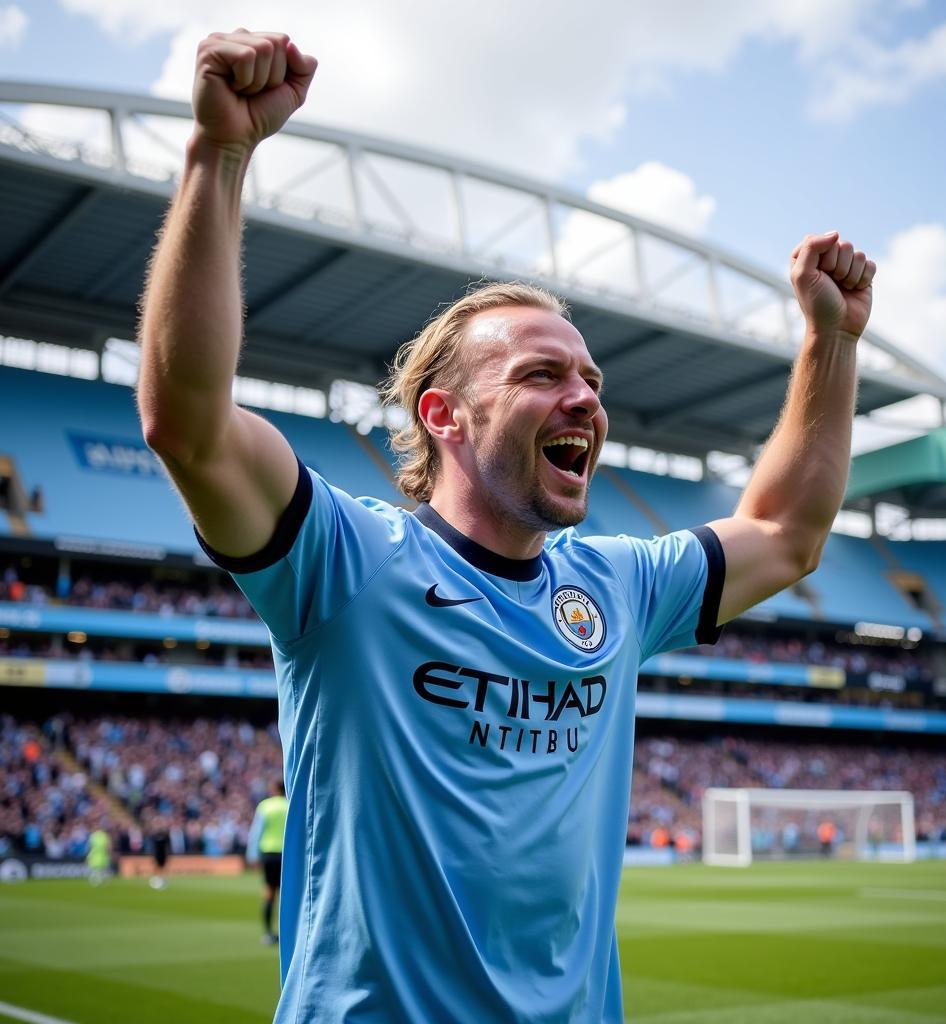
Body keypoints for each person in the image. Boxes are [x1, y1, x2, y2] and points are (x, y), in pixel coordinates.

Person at [137, 28, 876, 1023]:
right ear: (442, 415)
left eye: (590, 380)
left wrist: (829, 343)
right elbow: (188, 422)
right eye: (541, 375)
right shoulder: (346, 561)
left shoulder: (616, 586)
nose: (584, 399)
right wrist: (217, 156)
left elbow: (787, 531)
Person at [246, 780, 288, 946]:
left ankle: (268, 933)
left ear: (273, 789)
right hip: (286, 854)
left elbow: (256, 832)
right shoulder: (289, 804)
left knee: (269, 893)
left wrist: (252, 855)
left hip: (269, 853)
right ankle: (287, 933)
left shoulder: (265, 806)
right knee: (286, 895)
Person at [148, 815, 171, 890]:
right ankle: (156, 880)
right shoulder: (154, 834)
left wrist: (168, 854)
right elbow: (152, 845)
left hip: (163, 853)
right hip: (156, 853)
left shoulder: (165, 833)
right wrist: (152, 854)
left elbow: (168, 845)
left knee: (164, 867)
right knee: (156, 867)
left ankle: (164, 880)